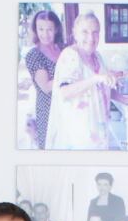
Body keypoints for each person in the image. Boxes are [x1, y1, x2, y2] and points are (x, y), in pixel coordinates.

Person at [46, 11, 116, 149]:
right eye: (85, 32)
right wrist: (95, 78)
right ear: (75, 34)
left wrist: (124, 99)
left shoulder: (97, 56)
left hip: (98, 128)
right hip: (79, 133)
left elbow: (102, 87)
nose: (91, 38)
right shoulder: (71, 55)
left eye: (95, 32)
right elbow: (64, 92)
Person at [23, 10, 64, 147]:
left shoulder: (63, 49)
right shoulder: (34, 55)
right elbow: (46, 87)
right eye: (41, 29)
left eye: (49, 29)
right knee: (51, 146)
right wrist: (68, 75)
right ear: (35, 29)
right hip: (48, 110)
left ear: (56, 29)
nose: (45, 34)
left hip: (67, 105)